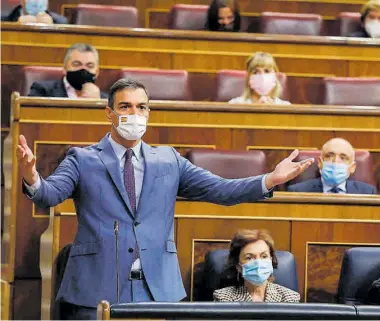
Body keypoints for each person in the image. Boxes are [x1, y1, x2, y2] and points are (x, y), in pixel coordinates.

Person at [17, 77, 313, 319]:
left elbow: (221, 190)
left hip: (157, 290)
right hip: (96, 288)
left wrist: (270, 179)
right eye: (125, 106)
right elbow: (49, 195)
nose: (134, 114)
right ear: (109, 112)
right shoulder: (82, 159)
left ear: (148, 112)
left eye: (141, 107)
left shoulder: (168, 160)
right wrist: (32, 175)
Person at [213, 229, 300, 302]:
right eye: (249, 258)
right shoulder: (224, 298)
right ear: (238, 266)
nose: (258, 263)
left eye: (264, 256)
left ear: (271, 259)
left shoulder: (290, 298)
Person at [288, 138, 377, 194]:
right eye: (329, 156)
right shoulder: (298, 192)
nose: (335, 161)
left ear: (352, 167)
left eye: (343, 158)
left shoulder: (367, 192)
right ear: (320, 163)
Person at [27, 43, 108, 99]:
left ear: (97, 72)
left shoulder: (106, 101)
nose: (83, 69)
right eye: (77, 64)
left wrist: (98, 106)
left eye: (89, 66)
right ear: (65, 68)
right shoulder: (42, 91)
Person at [1, 0, 67, 24]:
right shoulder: (3, 22)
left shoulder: (61, 22)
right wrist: (16, 27)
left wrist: (53, 28)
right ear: (21, 1)